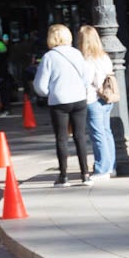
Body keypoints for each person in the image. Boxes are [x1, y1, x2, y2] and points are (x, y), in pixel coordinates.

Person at [32, 24, 94, 186]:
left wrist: (49, 92)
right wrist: (81, 87)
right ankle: (85, 174)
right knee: (80, 136)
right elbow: (88, 75)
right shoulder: (76, 53)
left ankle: (63, 176)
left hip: (59, 100)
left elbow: (40, 85)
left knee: (61, 138)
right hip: (79, 98)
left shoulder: (49, 57)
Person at [77, 25, 115, 179]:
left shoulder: (87, 60)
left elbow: (88, 80)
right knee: (106, 132)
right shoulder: (104, 57)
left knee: (97, 134)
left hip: (93, 99)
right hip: (107, 98)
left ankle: (102, 169)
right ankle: (111, 166)